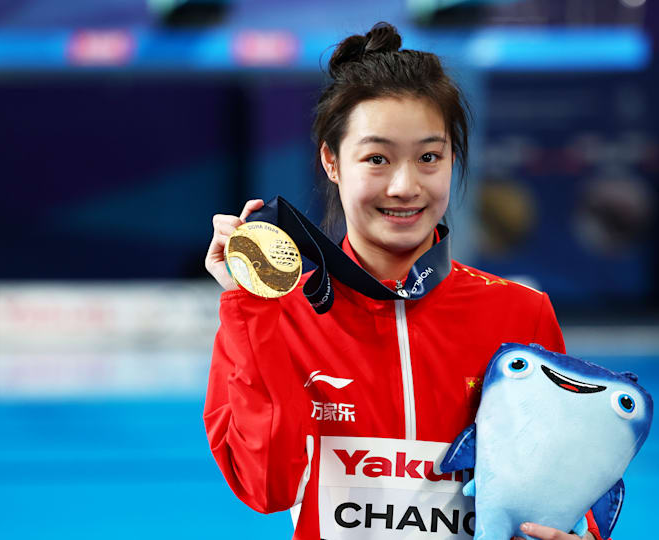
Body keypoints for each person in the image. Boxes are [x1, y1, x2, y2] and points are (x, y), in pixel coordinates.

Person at [203, 22, 603, 540]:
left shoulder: (520, 314)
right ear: (332, 161)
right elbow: (267, 490)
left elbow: (561, 491)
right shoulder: (274, 316)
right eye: (377, 158)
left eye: (429, 157)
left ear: (453, 159)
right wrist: (250, 303)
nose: (405, 186)